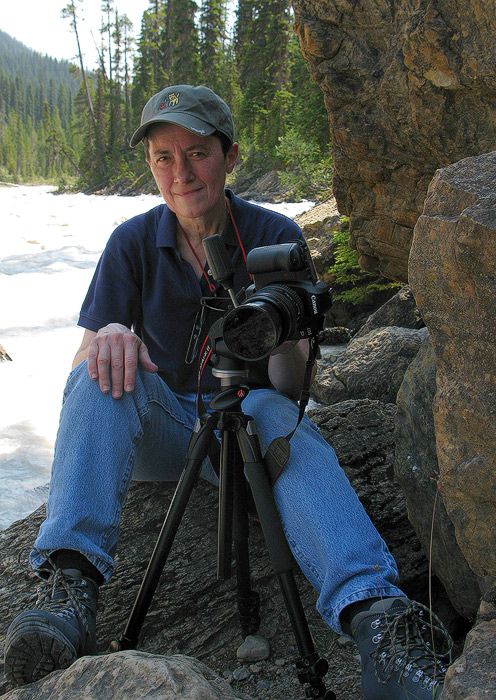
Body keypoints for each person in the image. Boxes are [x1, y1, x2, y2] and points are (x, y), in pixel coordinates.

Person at [4, 85, 451, 698]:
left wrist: (284, 337)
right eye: (163, 156)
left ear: (230, 156)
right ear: (150, 165)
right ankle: (69, 586)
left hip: (251, 414)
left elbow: (291, 392)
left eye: (197, 153)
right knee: (94, 372)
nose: (180, 172)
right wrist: (109, 336)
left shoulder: (275, 236)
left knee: (285, 424)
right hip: (167, 426)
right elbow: (88, 364)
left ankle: (378, 622)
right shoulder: (131, 243)